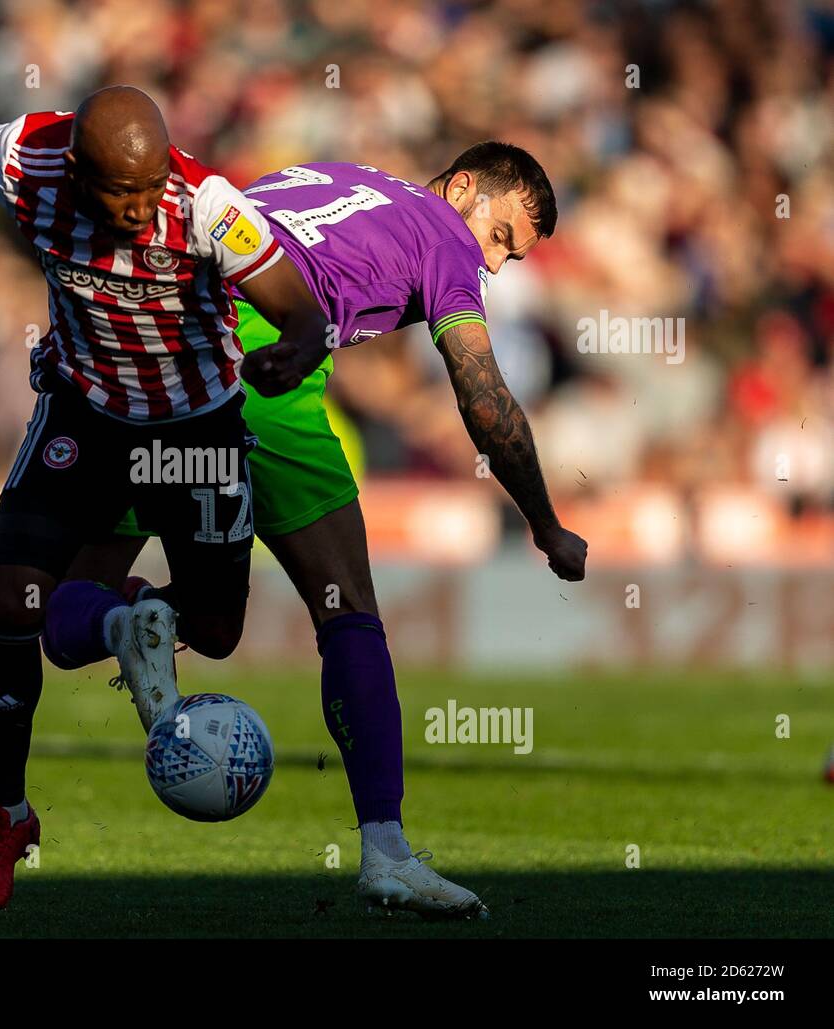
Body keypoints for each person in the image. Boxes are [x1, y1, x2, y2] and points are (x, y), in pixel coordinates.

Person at [0, 35, 330, 917]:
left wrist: (295, 350)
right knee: (13, 603)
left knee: (216, 627)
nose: (137, 206)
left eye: (147, 184)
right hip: (84, 418)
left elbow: (298, 311)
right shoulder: (30, 159)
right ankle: (5, 813)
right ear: (80, 173)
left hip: (195, 430)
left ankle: (137, 618)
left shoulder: (207, 206)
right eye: (119, 190)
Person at [72, 152, 589, 918]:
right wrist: (545, 523)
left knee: (89, 599)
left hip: (157, 347)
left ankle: (128, 620)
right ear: (462, 192)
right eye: (503, 236)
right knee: (348, 612)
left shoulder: (338, 173)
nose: (498, 263)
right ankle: (387, 853)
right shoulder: (445, 236)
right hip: (266, 362)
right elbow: (483, 395)